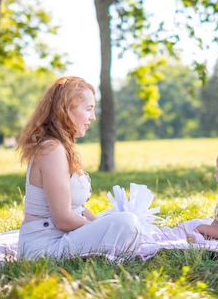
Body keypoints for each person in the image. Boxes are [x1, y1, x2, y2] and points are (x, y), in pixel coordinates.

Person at [16, 76, 142, 260]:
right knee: (127, 223)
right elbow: (63, 219)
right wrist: (103, 228)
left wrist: (101, 224)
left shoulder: (61, 147)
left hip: (60, 238)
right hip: (43, 248)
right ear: (66, 110)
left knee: (118, 218)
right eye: (89, 109)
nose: (93, 117)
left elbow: (78, 209)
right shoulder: (52, 150)